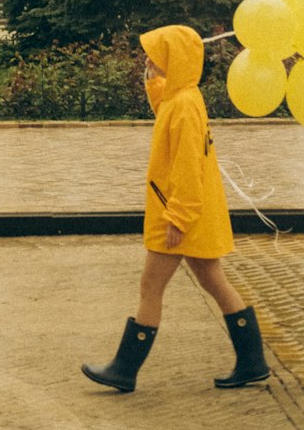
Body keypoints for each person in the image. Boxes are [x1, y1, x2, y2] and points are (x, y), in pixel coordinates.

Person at [81, 24, 270, 395]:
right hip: (192, 214)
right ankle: (253, 362)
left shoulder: (184, 105)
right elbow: (163, 110)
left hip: (181, 215)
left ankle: (123, 369)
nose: (148, 59)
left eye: (156, 53)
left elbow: (187, 167)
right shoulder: (183, 97)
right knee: (214, 282)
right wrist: (153, 80)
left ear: (175, 59)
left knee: (150, 288)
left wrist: (178, 218)